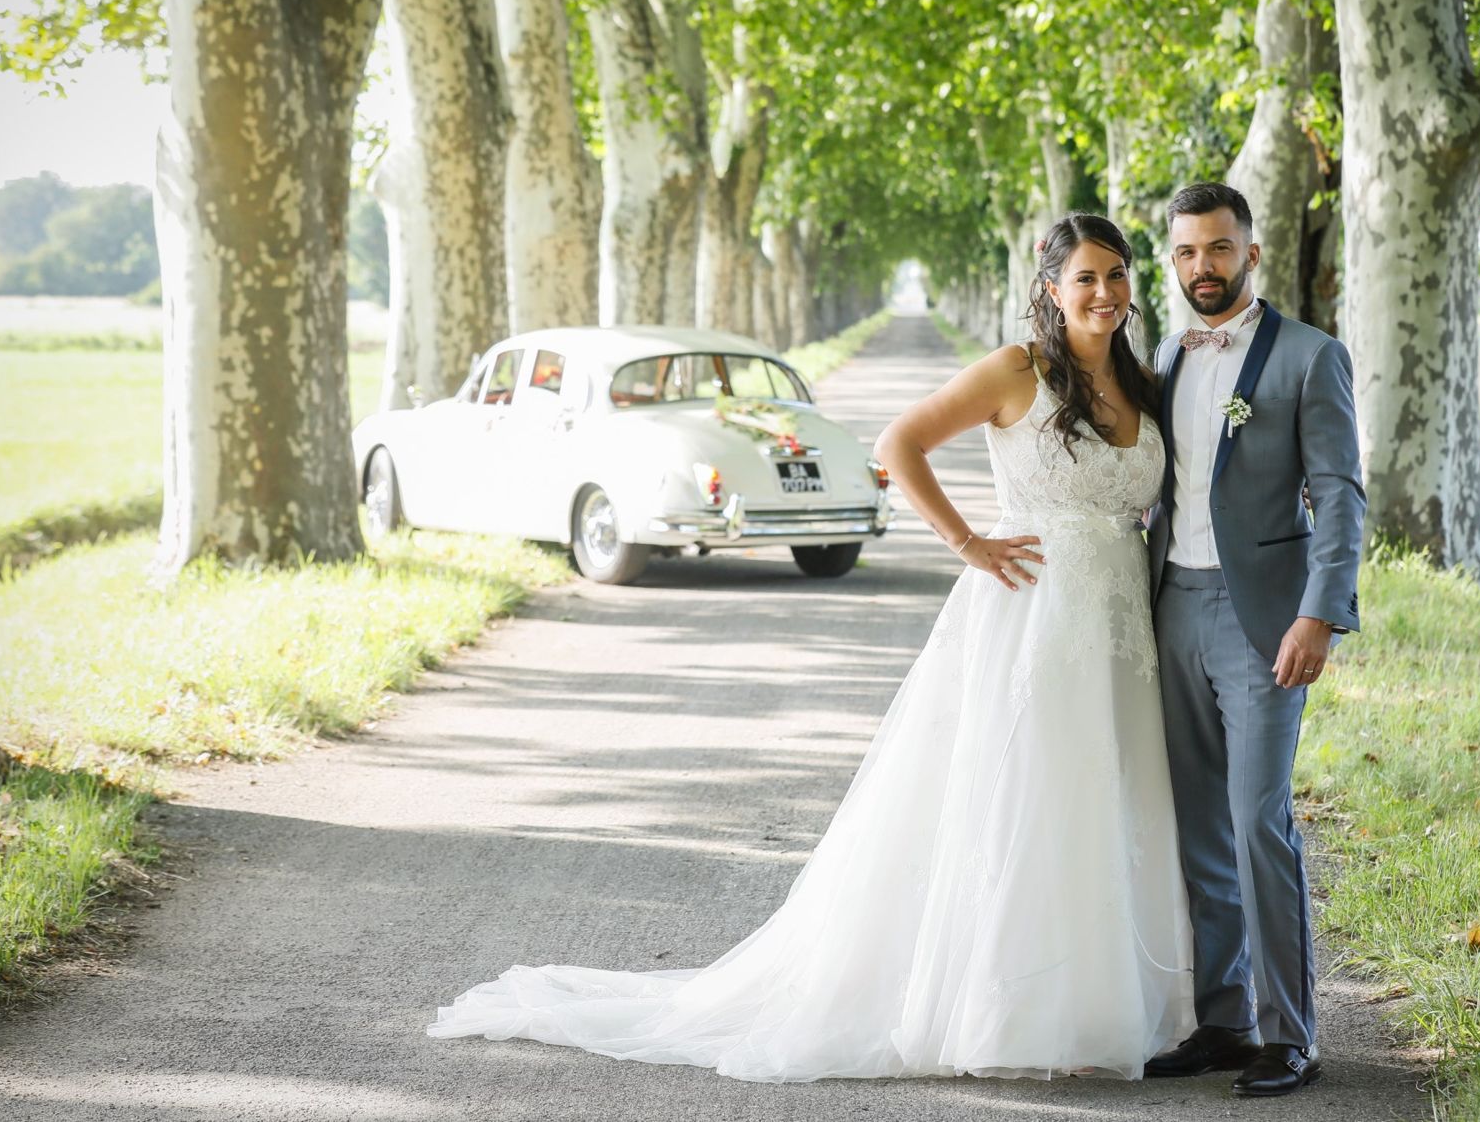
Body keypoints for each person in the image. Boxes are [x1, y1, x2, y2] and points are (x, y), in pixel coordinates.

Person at [426, 213, 1195, 1081]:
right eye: (1086, 277)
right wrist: (969, 543)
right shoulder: (1020, 371)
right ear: (1051, 288)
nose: (1105, 292)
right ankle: (1011, 1014)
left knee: (1109, 801)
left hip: (1122, 627)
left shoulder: (1142, 377)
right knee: (1032, 800)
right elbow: (897, 444)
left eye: (1119, 274)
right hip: (1030, 619)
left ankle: (1103, 1011)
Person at [1138, 182, 1366, 1097]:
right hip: (1172, 608)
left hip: (1267, 619)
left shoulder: (1311, 358)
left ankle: (1291, 1034)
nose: (1204, 267)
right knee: (1198, 827)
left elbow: (1341, 494)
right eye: (1188, 252)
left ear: (1251, 255)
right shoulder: (1163, 354)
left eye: (1219, 250)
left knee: (1257, 820)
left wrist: (1321, 611)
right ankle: (1224, 1021)